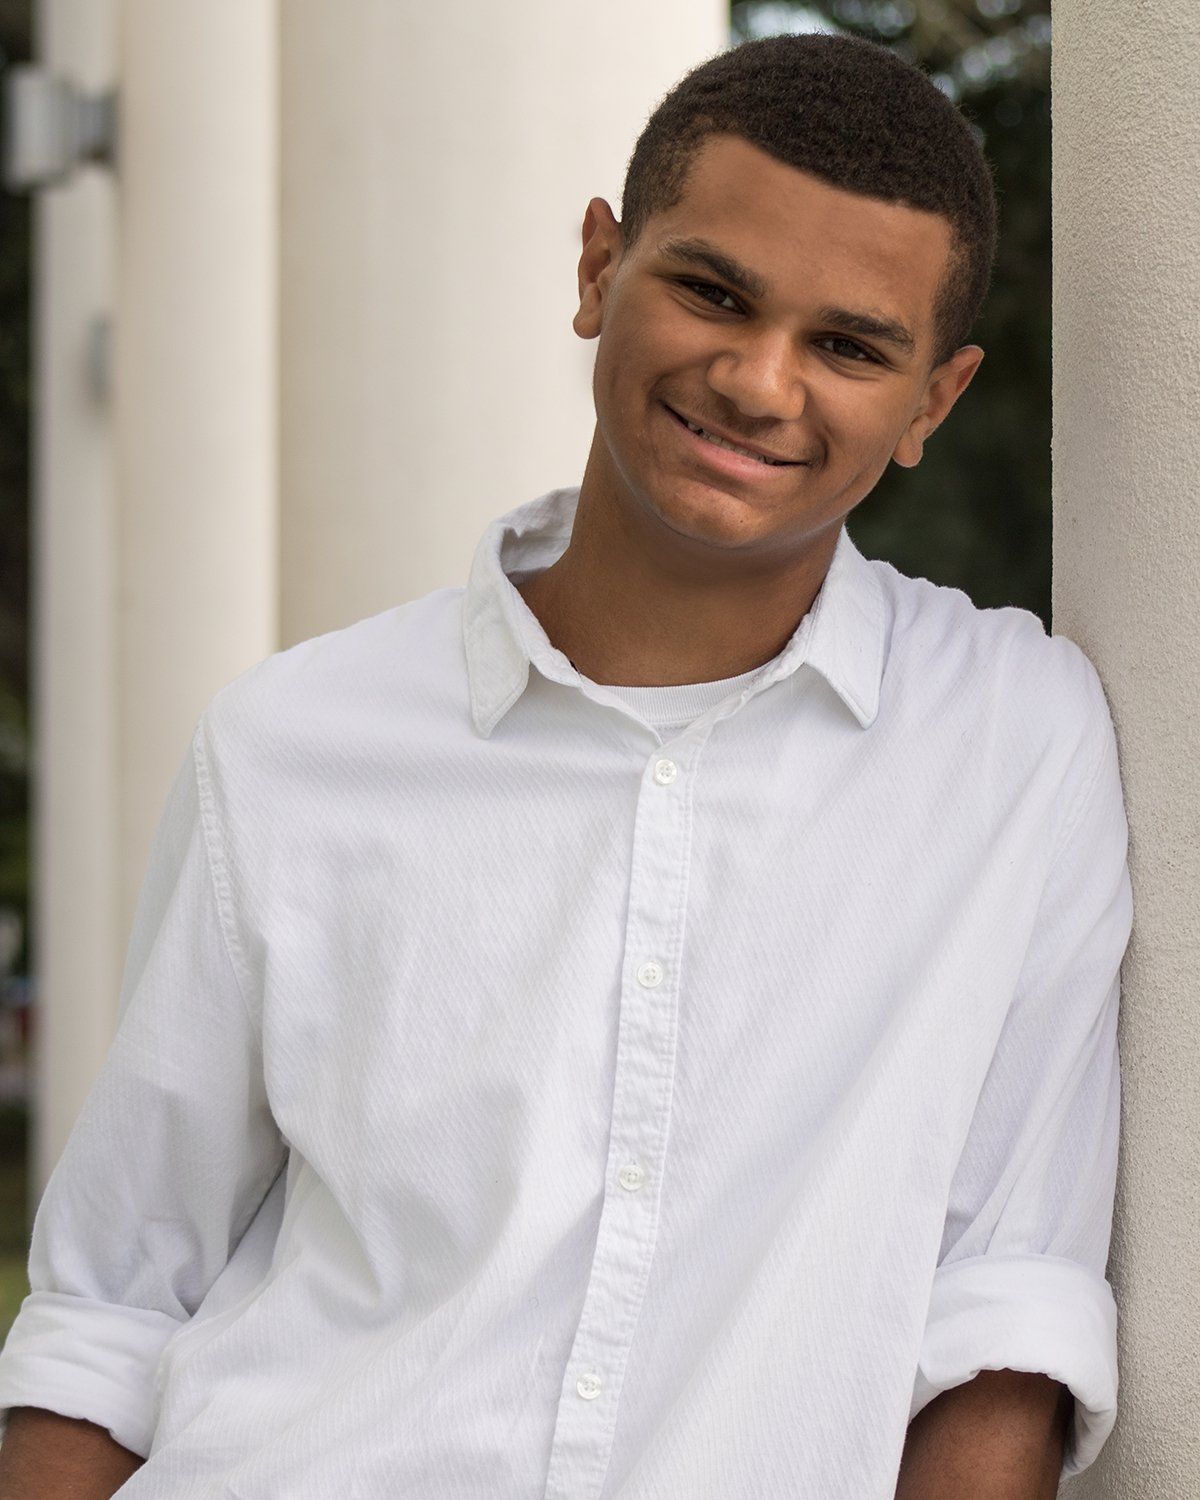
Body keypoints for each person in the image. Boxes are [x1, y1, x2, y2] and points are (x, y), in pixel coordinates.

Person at [0, 31, 1131, 1500]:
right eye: (712, 292)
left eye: (850, 346)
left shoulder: (1015, 740)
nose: (760, 381)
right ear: (601, 268)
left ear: (933, 402)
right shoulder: (290, 742)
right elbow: (110, 1302)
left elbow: (1006, 1307)